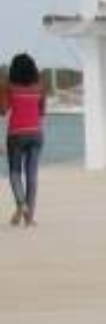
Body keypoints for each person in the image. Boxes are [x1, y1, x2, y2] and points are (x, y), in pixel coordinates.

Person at [7, 52, 45, 226]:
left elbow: (3, 110)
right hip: (36, 133)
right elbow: (42, 111)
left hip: (16, 134)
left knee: (15, 172)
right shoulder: (40, 87)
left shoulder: (9, 87)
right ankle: (29, 218)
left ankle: (22, 204)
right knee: (32, 176)